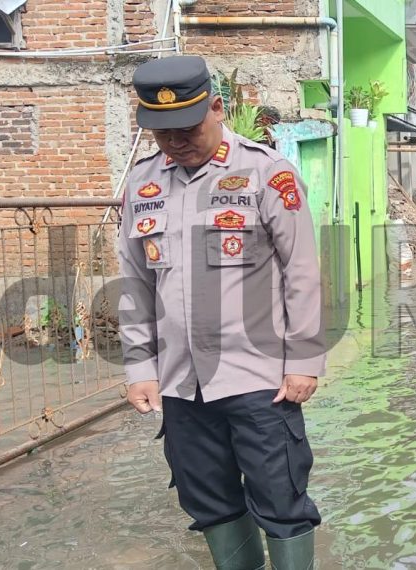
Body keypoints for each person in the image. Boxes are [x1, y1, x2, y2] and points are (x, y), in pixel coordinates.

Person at [119, 55, 326, 569]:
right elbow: (135, 285)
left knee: (281, 500)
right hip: (180, 382)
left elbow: (301, 271)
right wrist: (140, 368)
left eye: (187, 129)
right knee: (207, 502)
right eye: (161, 134)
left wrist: (303, 360)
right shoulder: (142, 186)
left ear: (216, 107)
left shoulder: (267, 173)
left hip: (258, 377)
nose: (175, 143)